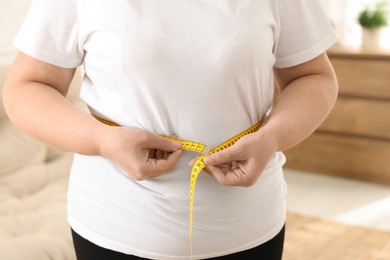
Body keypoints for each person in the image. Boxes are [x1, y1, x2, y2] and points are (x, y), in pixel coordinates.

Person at [2, 0, 338, 259]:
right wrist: (102, 139)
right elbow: (26, 87)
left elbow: (313, 77)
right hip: (114, 228)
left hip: (249, 229)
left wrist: (272, 137)